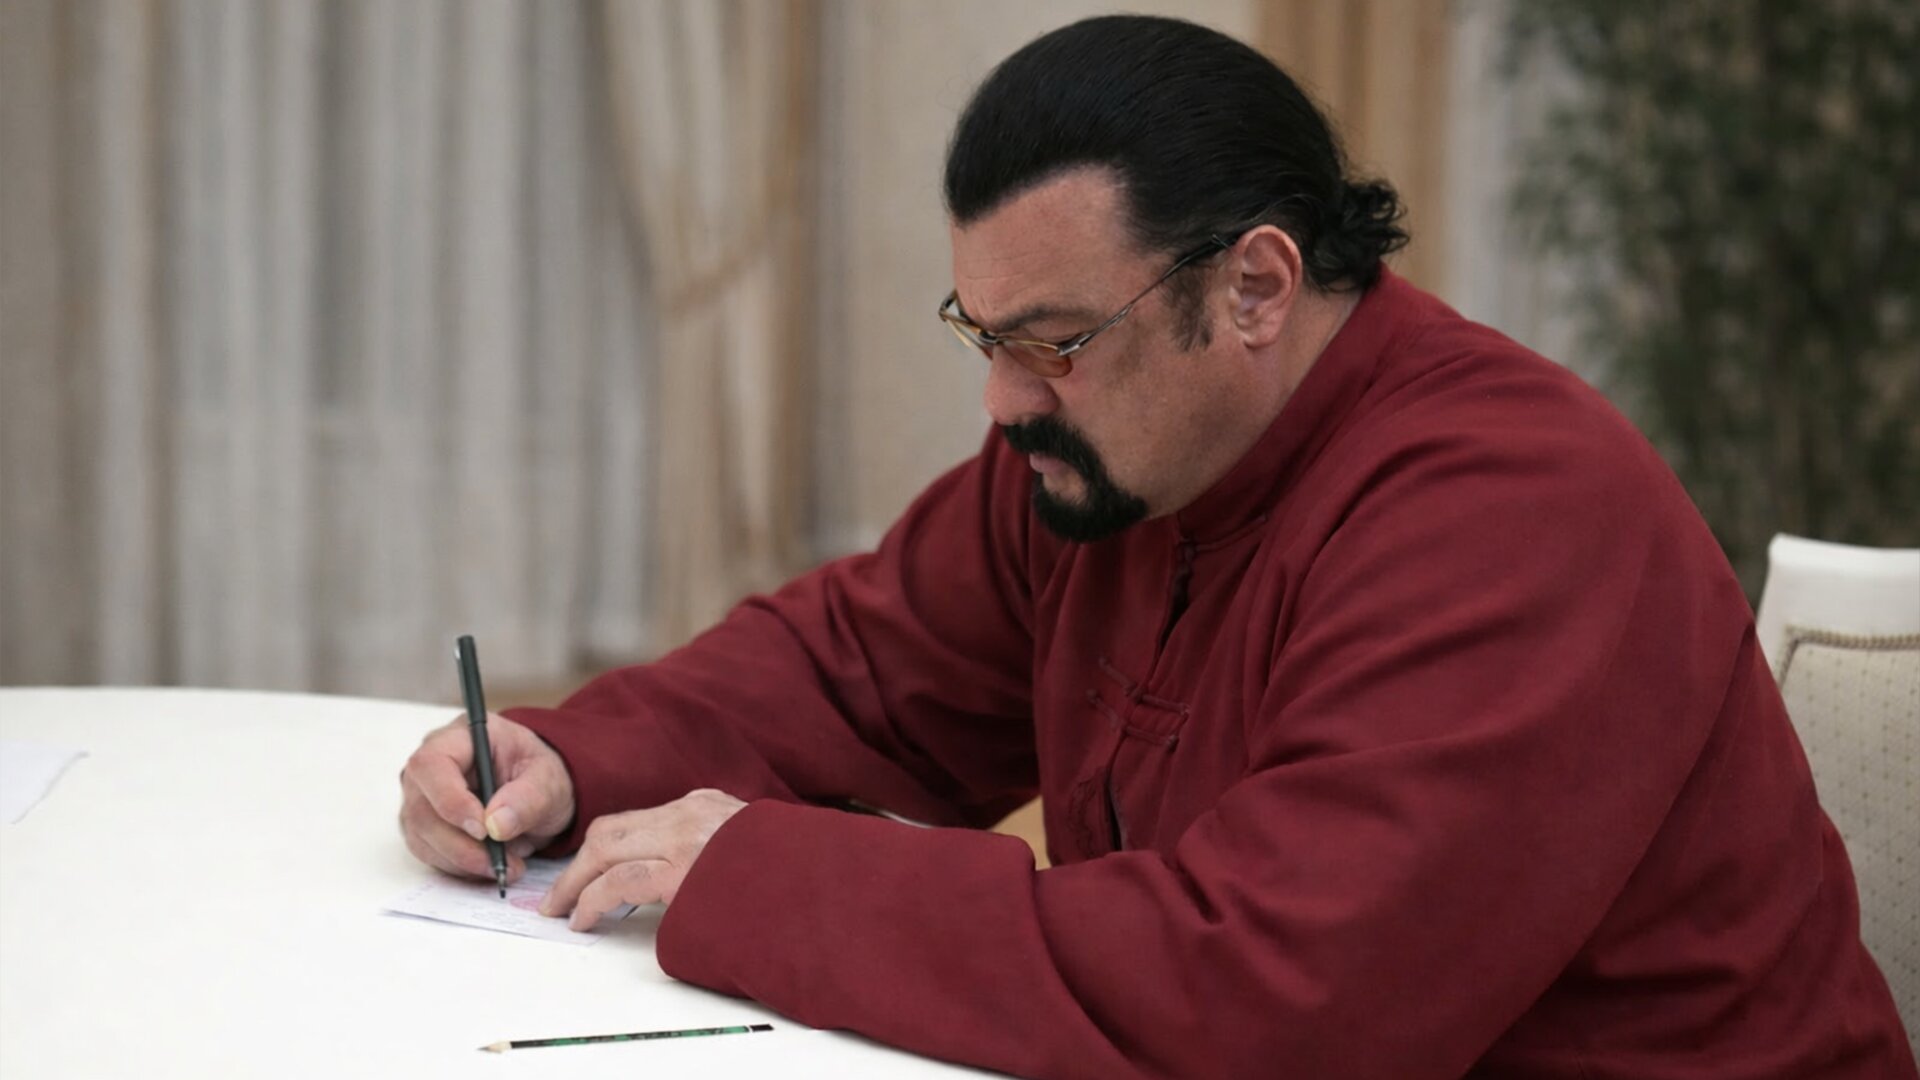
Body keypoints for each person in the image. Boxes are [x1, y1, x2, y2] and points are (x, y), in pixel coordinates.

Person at [398, 15, 1917, 1079]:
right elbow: (861, 668)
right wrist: (569, 760)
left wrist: (759, 872)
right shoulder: (1111, 455)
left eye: (1055, 342)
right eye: (985, 335)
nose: (1003, 402)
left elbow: (1274, 1002)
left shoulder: (1518, 513)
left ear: (1255, 286)